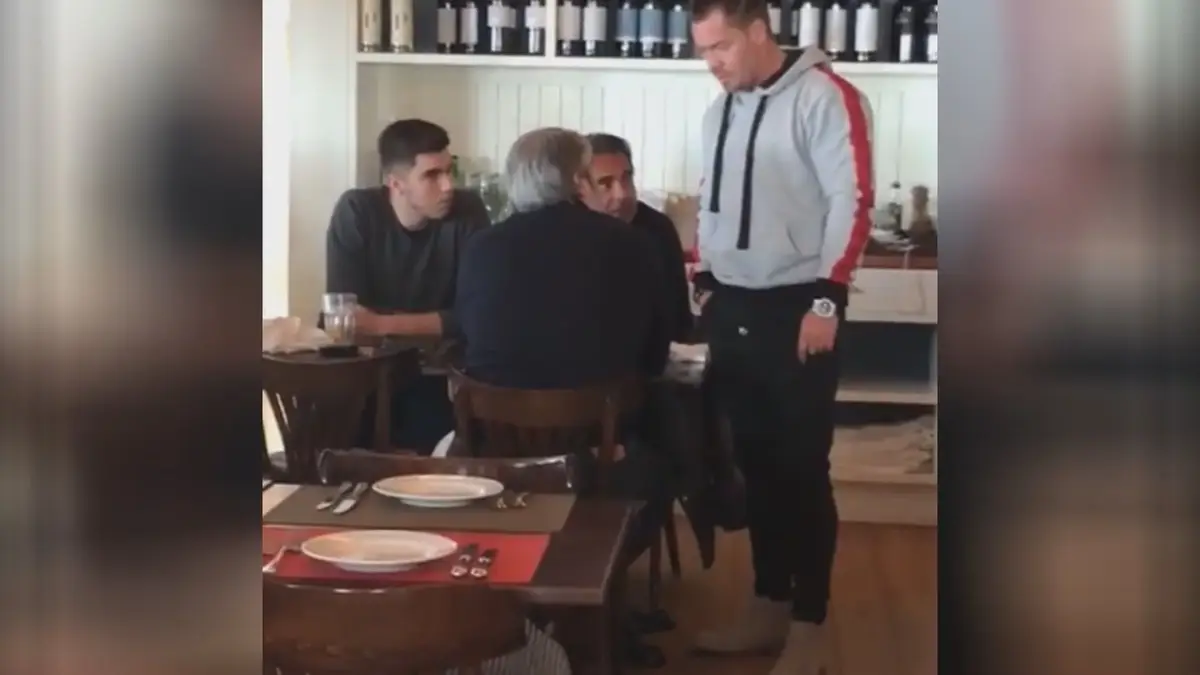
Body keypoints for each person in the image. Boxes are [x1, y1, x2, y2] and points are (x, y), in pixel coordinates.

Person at [687, 1, 875, 673]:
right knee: (755, 464)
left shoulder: (826, 97)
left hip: (800, 306)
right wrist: (705, 274)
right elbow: (709, 196)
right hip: (734, 304)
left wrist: (828, 298)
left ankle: (809, 622)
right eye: (703, 51)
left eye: (722, 47)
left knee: (801, 468)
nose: (712, 64)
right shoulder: (720, 110)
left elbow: (852, 199)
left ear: (759, 32)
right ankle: (768, 602)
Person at [454, 127, 674, 667]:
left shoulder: (482, 247)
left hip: (497, 457)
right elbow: (655, 355)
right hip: (600, 458)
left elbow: (469, 340)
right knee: (666, 458)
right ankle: (593, 616)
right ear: (578, 180)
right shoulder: (631, 244)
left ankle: (529, 620)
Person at [325, 119, 491, 451]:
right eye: (432, 175)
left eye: (449, 171)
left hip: (442, 376)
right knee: (329, 423)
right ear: (396, 183)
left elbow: (474, 318)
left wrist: (380, 324)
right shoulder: (357, 211)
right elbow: (345, 319)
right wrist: (433, 325)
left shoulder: (468, 210)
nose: (448, 186)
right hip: (371, 373)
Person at [582, 133, 694, 343]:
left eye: (627, 178)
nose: (622, 194)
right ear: (581, 190)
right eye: (606, 183)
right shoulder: (568, 236)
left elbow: (679, 316)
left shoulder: (657, 228)